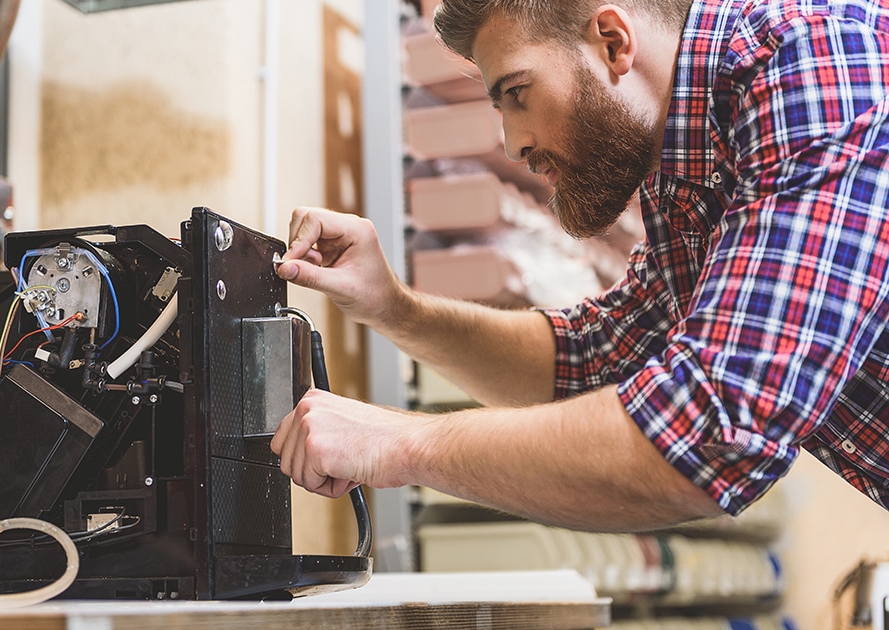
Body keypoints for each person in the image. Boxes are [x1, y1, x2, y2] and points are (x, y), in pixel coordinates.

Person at [269, 0, 889, 532]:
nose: (512, 144)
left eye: (516, 93)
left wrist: (400, 444)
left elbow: (710, 428)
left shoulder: (819, 59)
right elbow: (589, 360)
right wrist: (394, 308)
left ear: (614, 42)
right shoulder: (685, 177)